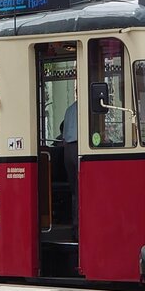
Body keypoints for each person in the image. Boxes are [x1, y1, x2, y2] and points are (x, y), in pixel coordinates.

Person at [62, 96, 79, 237]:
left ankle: (75, 227)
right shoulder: (85, 109)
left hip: (68, 150)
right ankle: (79, 227)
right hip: (77, 149)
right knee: (82, 192)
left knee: (75, 191)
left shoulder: (69, 109)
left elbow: (63, 134)